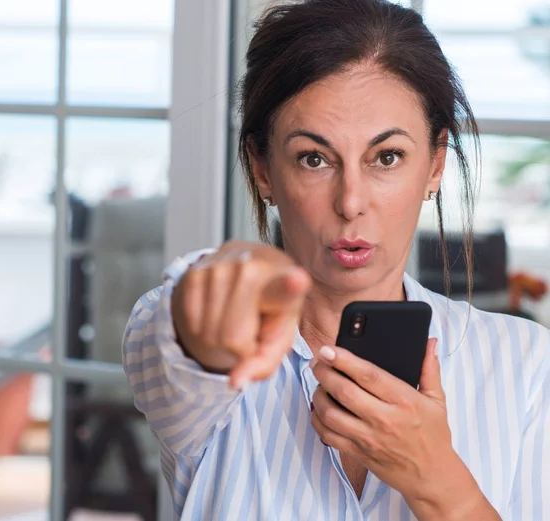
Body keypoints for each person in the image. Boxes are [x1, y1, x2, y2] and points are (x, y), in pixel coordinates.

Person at [122, 1, 550, 519]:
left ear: (435, 165)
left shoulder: (527, 364)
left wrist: (438, 481)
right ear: (262, 169)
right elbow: (186, 329)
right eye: (314, 159)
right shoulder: (194, 364)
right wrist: (223, 280)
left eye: (386, 157)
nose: (350, 201)